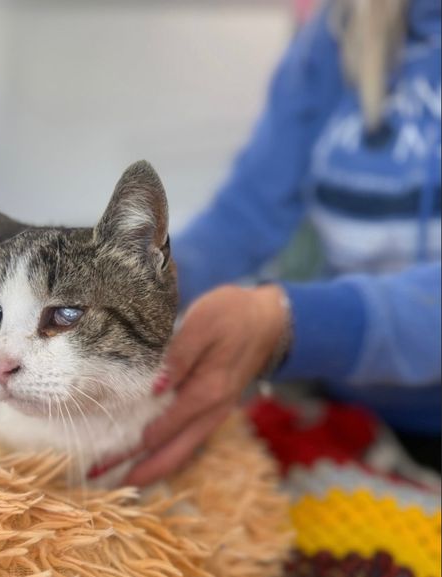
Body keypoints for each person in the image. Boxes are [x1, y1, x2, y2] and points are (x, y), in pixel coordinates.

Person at [125, 0, 441, 486]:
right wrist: (142, 277)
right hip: (350, 418)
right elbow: (248, 213)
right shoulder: (339, 29)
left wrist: (288, 321)